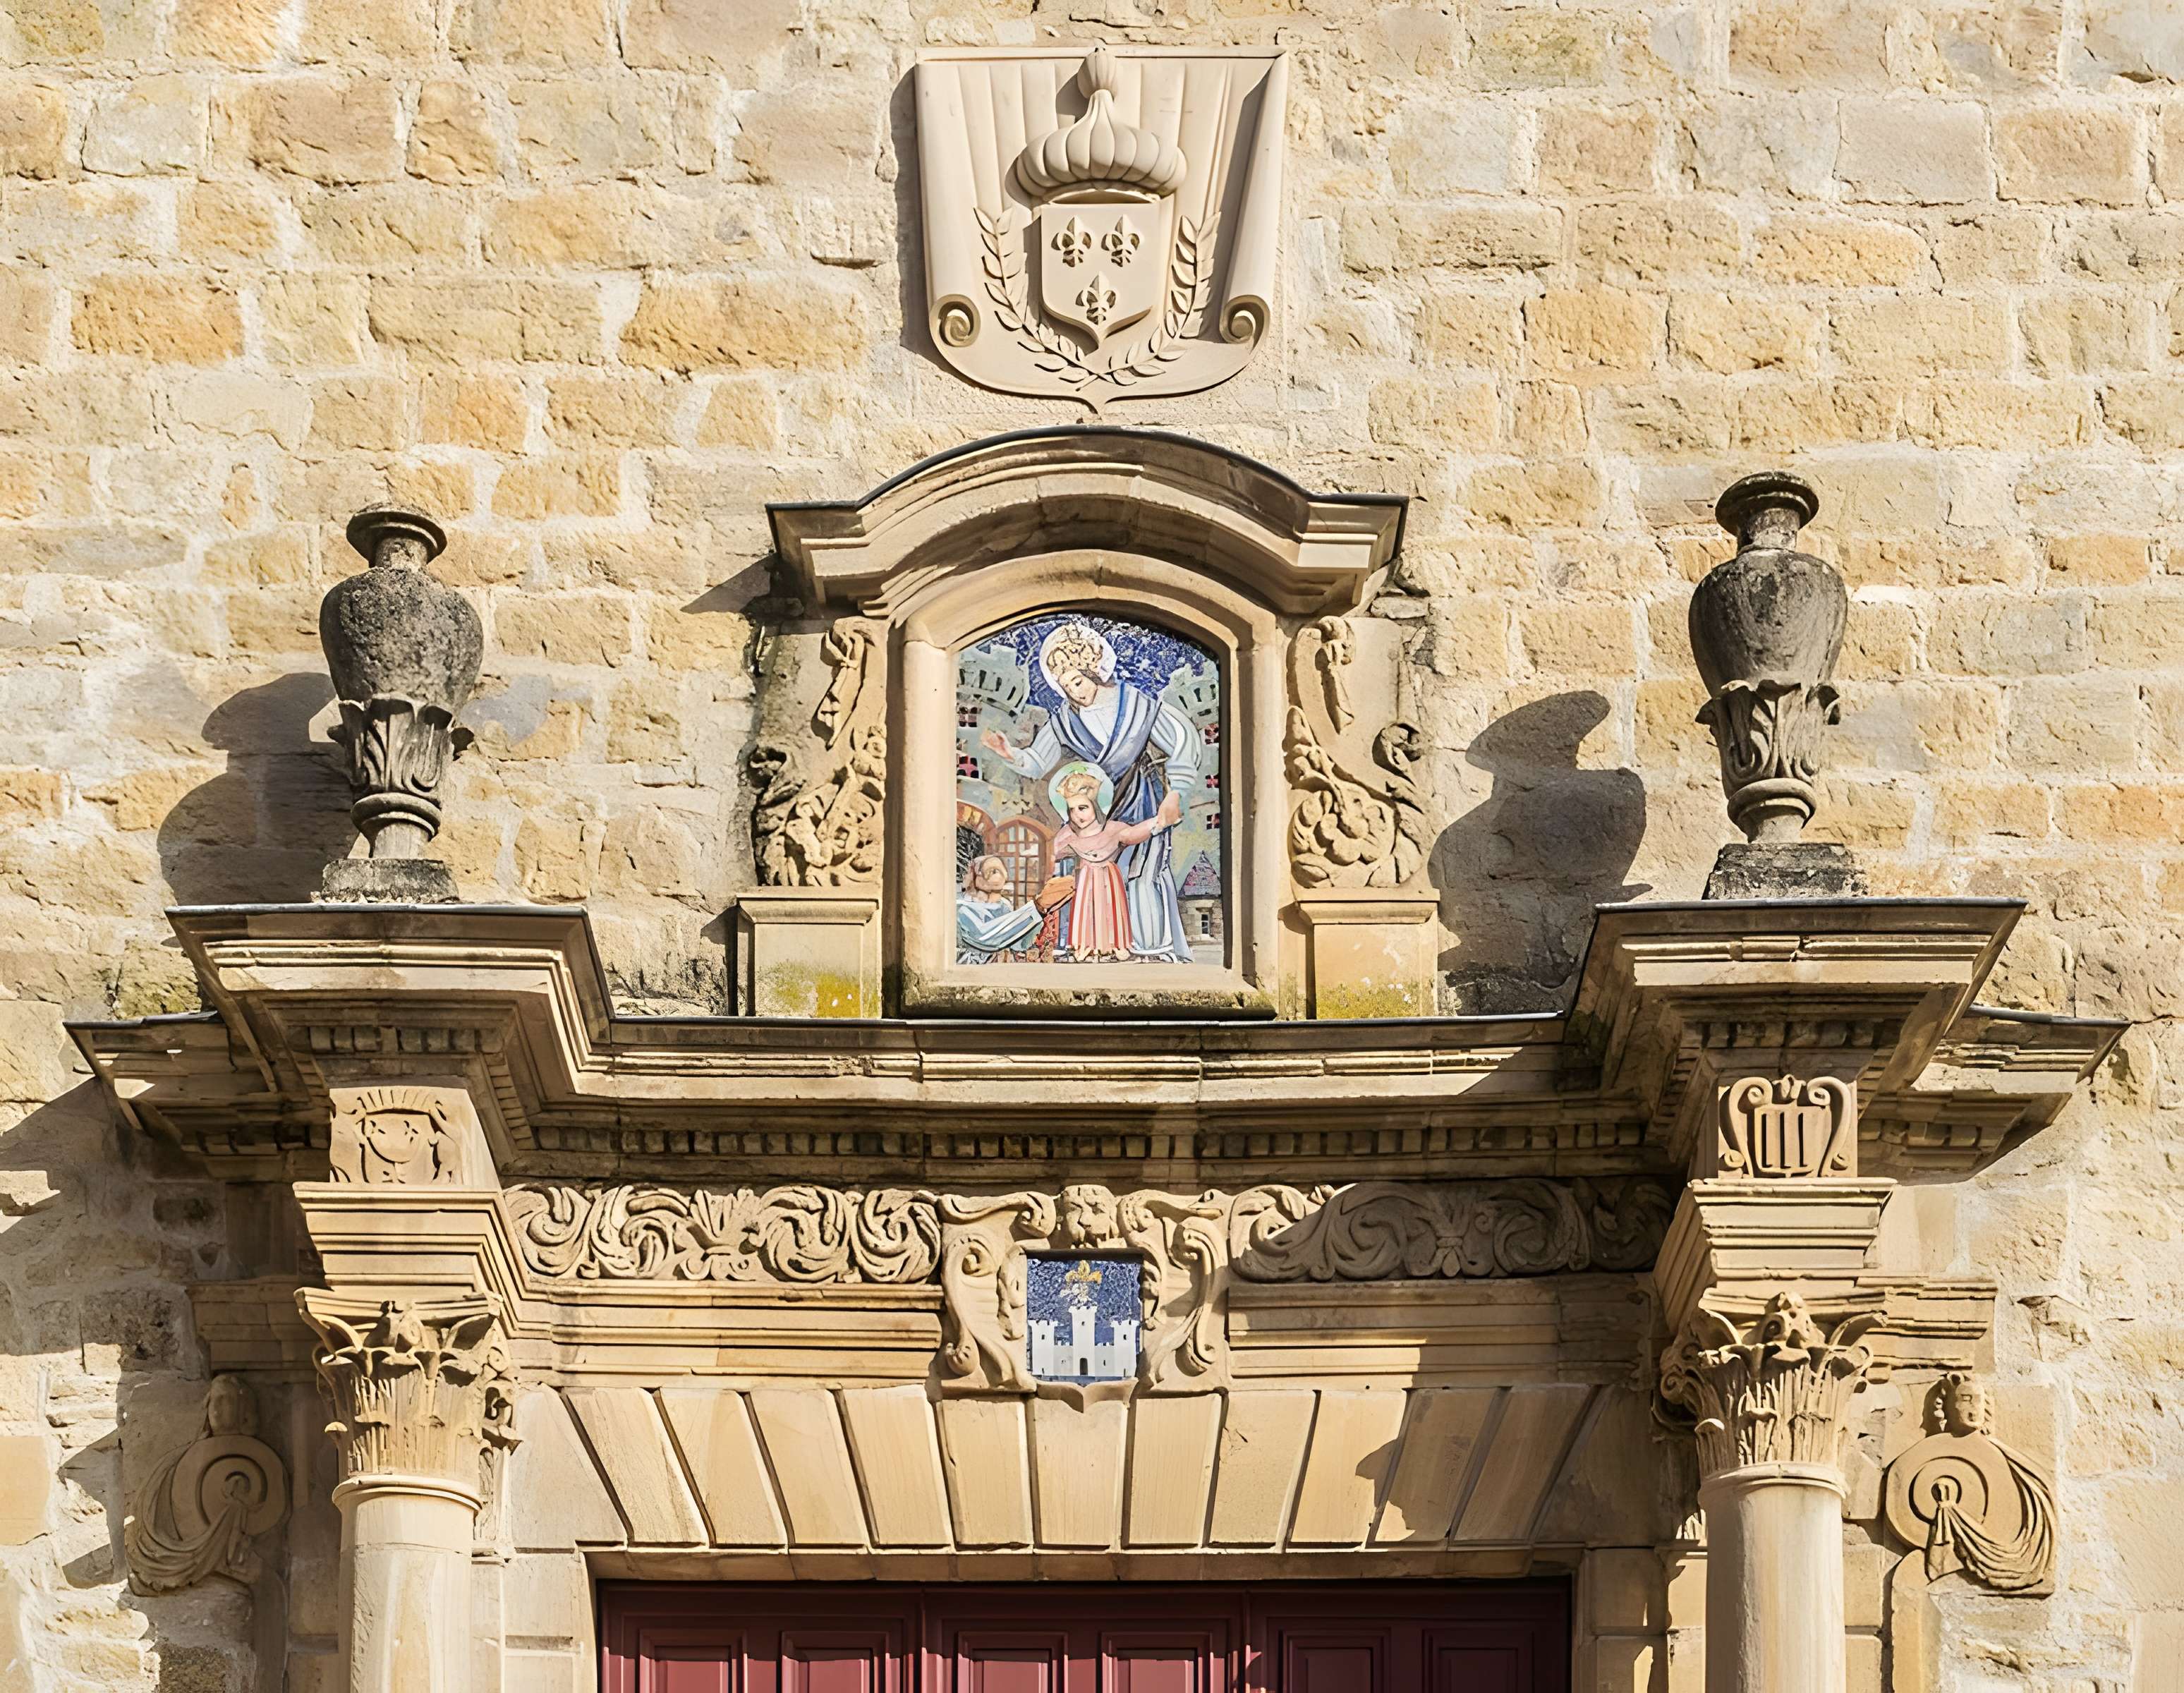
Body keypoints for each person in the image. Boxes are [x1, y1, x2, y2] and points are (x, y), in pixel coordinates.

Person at [980, 624, 1203, 961]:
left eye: (1078, 681)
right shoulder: (1065, 721)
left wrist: (1178, 792)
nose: (1075, 692)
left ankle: (1151, 948)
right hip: (1094, 809)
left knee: (1142, 872)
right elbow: (1039, 760)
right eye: (1066, 686)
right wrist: (1010, 753)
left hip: (1141, 800)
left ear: (1094, 672)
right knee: (1090, 880)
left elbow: (1183, 741)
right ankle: (1095, 944)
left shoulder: (1137, 706)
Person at [1048, 770, 1182, 961]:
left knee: (1111, 909)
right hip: (1085, 879)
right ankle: (1085, 946)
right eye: (1072, 809)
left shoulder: (1112, 829)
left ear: (1095, 806)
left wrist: (1160, 822)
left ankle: (1115, 945)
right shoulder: (1068, 834)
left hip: (1108, 878)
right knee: (1086, 908)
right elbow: (1051, 853)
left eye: (1083, 807)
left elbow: (1134, 833)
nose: (1077, 815)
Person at [956, 854, 1071, 964]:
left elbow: (1019, 944)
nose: (999, 876)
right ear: (974, 875)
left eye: (999, 871)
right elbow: (984, 936)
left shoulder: (1002, 905)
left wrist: (1044, 911)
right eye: (992, 871)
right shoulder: (960, 906)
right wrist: (1037, 907)